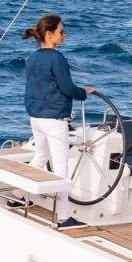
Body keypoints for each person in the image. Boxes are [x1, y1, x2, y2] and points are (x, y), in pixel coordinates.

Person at [21, 14, 94, 228]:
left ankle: (16, 195)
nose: (65, 35)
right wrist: (84, 93)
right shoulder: (57, 58)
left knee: (40, 157)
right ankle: (63, 217)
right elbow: (68, 88)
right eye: (62, 31)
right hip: (54, 120)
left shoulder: (32, 58)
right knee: (61, 168)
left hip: (35, 117)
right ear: (49, 34)